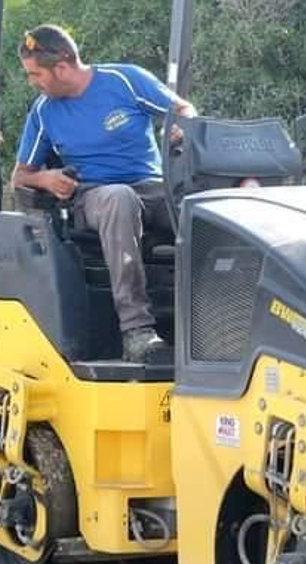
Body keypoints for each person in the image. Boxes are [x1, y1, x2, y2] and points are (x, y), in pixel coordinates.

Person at [11, 24, 195, 363]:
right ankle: (136, 330)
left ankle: (216, 323)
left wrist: (183, 127)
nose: (32, 82)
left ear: (62, 67)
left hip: (153, 187)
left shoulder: (124, 80)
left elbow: (184, 110)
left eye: (36, 74)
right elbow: (20, 176)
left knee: (201, 212)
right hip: (93, 196)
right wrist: (47, 178)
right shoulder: (43, 111)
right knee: (119, 198)